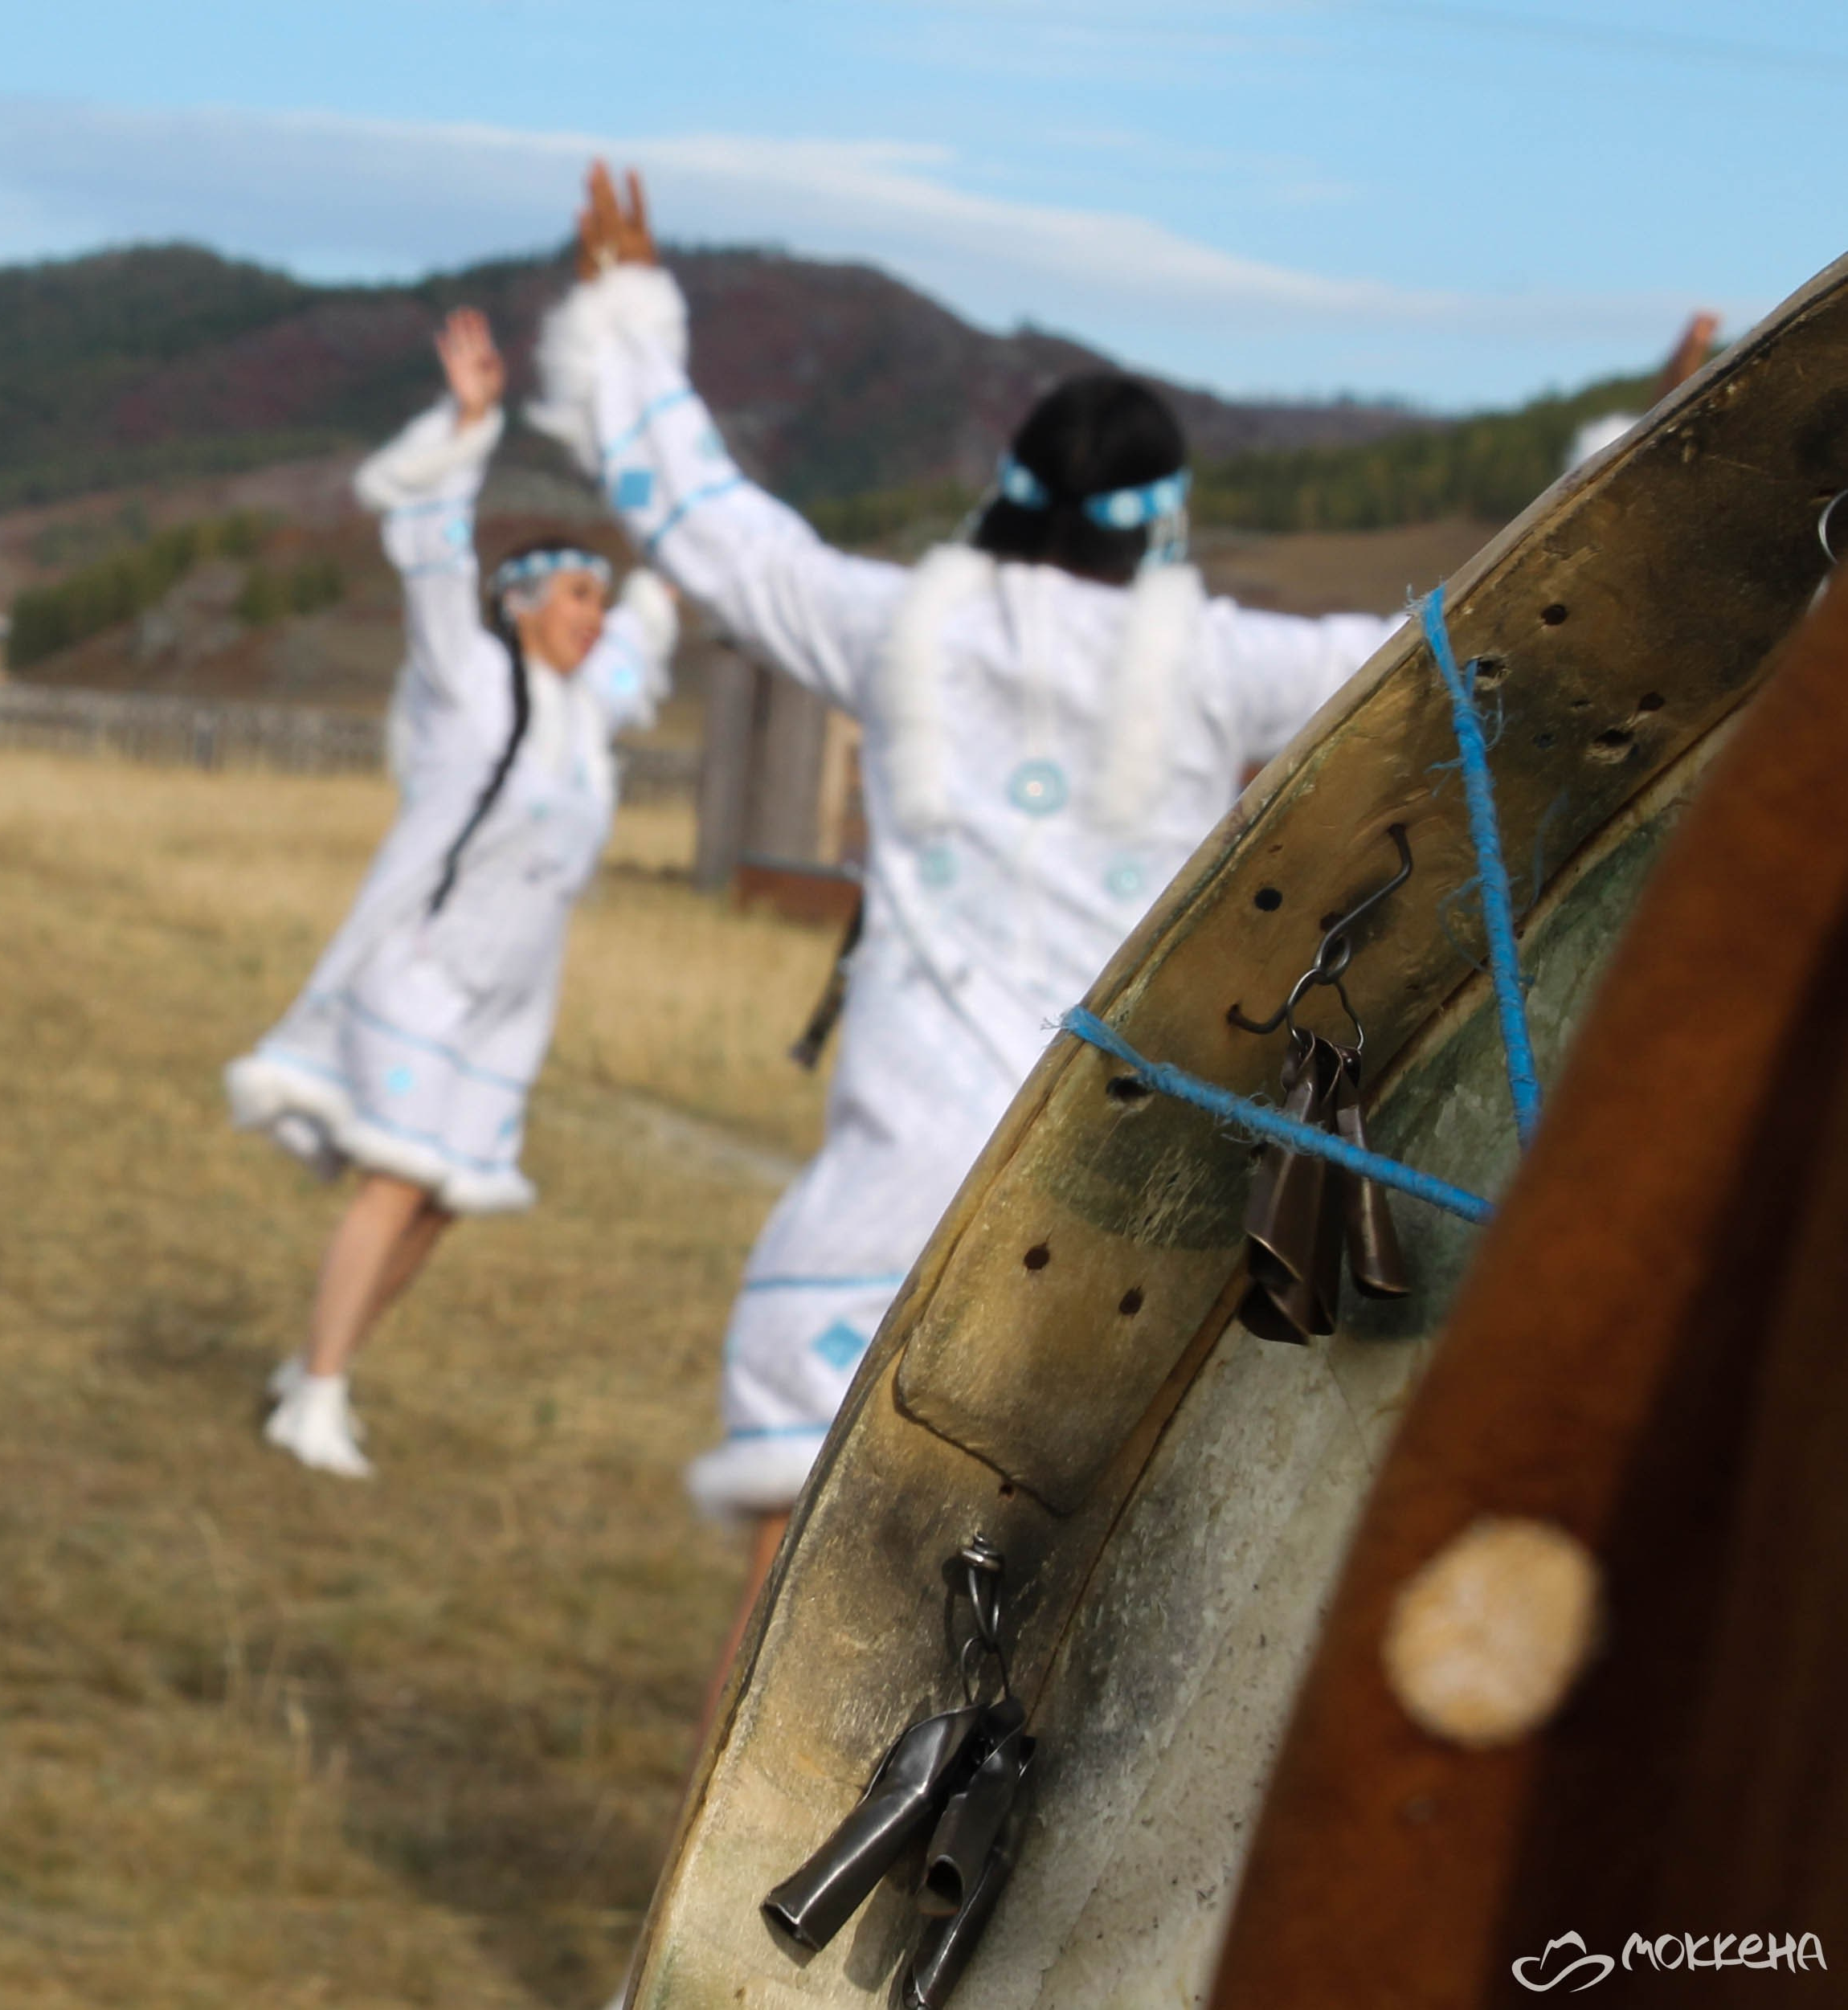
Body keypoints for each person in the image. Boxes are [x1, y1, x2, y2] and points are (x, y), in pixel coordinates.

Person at [529, 163, 1400, 1689]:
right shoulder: (1217, 662)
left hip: (875, 1223)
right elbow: (1457, 658)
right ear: (1163, 523)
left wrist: (623, 322)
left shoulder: (895, 627)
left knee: (776, 1659)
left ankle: (682, 1927)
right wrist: (1635, 450)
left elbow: (712, 524)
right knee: (1035, 1678)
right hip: (1099, 1230)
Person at [228, 306, 677, 1478]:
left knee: (442, 1198)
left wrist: (636, 415)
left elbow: (667, 597)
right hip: (424, 972)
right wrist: (469, 425)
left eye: (598, 602)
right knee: (397, 1175)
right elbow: (429, 548)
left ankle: (318, 1366)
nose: (595, 617)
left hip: (506, 999)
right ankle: (317, 1392)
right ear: (528, 605)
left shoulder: (589, 711)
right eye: (576, 599)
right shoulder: (472, 682)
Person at [1564, 310, 1720, 472]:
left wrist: (1692, 347)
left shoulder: (1609, 435)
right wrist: (1691, 347)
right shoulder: (1608, 437)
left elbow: (1666, 411)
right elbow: (1666, 414)